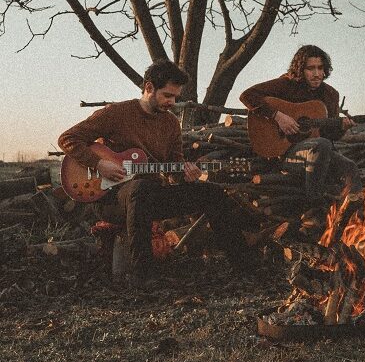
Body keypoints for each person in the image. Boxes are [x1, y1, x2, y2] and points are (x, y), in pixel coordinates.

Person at [59, 60, 255, 289]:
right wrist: (100, 163)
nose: (172, 102)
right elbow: (67, 139)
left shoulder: (171, 124)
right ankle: (143, 275)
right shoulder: (116, 113)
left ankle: (245, 266)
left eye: (176, 97)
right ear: (149, 88)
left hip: (149, 197)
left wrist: (186, 173)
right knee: (140, 189)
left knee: (211, 193)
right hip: (110, 199)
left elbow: (174, 165)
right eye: (167, 95)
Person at [239, 45, 362, 220]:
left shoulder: (330, 95)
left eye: (320, 68)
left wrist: (342, 127)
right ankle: (314, 206)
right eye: (310, 68)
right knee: (321, 145)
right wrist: (278, 116)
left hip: (317, 153)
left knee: (350, 167)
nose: (317, 73)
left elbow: (329, 135)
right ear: (300, 69)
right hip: (284, 154)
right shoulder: (287, 85)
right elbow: (247, 95)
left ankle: (351, 219)